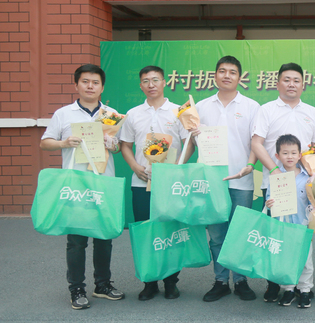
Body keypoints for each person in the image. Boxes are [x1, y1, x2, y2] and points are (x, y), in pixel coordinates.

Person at [40, 64, 125, 309]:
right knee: (76, 240)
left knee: (104, 236)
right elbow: (45, 143)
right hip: (76, 183)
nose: (90, 86)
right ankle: (76, 288)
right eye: (85, 81)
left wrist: (112, 144)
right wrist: (64, 142)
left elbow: (118, 148)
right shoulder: (63, 114)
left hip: (103, 182)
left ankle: (103, 285)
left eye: (95, 82)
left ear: (102, 87)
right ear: (76, 85)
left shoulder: (111, 114)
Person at [251, 63, 315, 303]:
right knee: (276, 235)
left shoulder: (312, 111)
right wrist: (274, 170)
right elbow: (257, 142)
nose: (291, 84)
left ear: (303, 84)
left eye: (296, 80)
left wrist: (314, 171)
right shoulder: (266, 109)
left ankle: (301, 286)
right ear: (278, 83)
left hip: (304, 183)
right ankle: (277, 285)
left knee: (301, 236)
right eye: (286, 79)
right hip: (276, 182)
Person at [119, 65, 190, 301]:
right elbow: (125, 145)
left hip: (171, 183)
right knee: (145, 232)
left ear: (164, 82)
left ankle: (171, 282)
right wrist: (134, 167)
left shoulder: (179, 111)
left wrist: (177, 168)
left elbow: (189, 143)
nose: (151, 84)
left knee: (172, 230)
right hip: (142, 182)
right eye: (146, 81)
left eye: (155, 80)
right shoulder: (133, 114)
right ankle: (149, 282)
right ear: (140, 85)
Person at [195, 56, 260, 302]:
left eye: (232, 72)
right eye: (222, 71)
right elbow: (190, 143)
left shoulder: (252, 106)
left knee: (240, 231)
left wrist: (250, 165)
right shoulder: (201, 107)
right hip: (212, 181)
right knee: (217, 234)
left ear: (239, 78)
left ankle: (241, 280)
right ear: (215, 76)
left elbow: (257, 141)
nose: (227, 75)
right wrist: (192, 135)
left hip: (241, 180)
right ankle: (221, 280)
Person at [264, 134, 315, 309]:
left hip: (302, 226)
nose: (289, 157)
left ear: (299, 155)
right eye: (285, 153)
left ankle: (304, 290)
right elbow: (269, 201)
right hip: (282, 227)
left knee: (305, 260)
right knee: (285, 258)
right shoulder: (275, 179)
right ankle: (288, 289)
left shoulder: (308, 178)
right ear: (277, 156)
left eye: (293, 153)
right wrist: (269, 203)